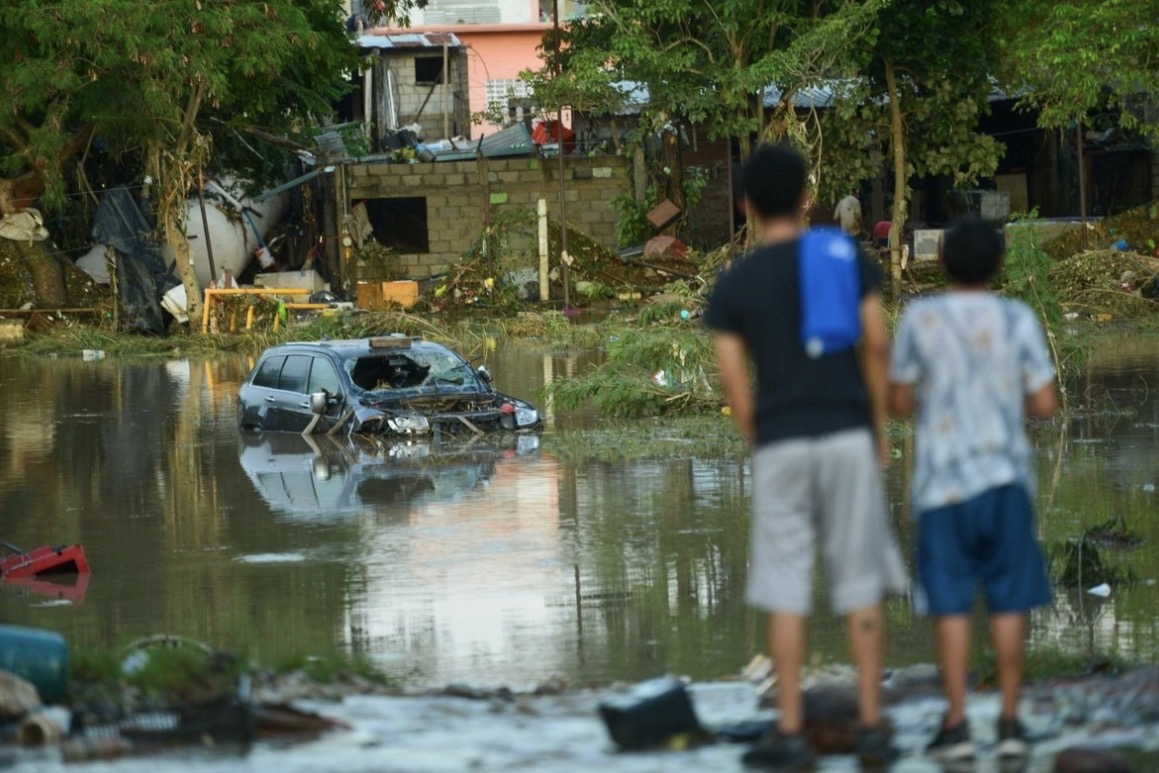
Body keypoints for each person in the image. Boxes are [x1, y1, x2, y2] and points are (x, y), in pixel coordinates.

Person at [705, 143, 906, 769]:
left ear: (746, 205)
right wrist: (877, 427)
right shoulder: (845, 258)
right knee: (860, 584)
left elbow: (735, 384)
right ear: (805, 198)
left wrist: (760, 439)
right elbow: (876, 346)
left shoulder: (736, 283)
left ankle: (790, 731)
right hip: (846, 435)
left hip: (782, 444)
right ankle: (871, 723)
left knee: (786, 587)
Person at [888, 217, 1057, 764]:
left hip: (942, 487)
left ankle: (957, 723)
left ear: (941, 262)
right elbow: (1044, 405)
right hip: (1004, 481)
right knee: (1009, 599)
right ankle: (1009, 720)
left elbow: (897, 400)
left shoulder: (920, 317)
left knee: (952, 605)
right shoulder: (1017, 318)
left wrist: (934, 400)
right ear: (998, 265)